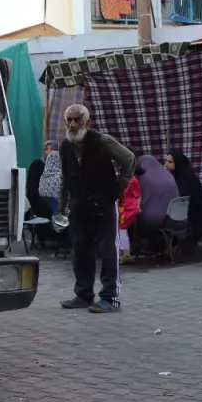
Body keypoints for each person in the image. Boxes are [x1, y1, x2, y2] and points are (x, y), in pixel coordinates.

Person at [58, 104, 135, 314]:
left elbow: (129, 159)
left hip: (103, 205)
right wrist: (62, 201)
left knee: (108, 251)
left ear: (87, 122)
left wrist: (119, 187)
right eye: (70, 121)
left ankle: (111, 297)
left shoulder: (102, 141)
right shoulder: (65, 146)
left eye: (77, 120)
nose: (73, 124)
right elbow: (66, 176)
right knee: (80, 251)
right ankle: (83, 294)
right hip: (79, 206)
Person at [135, 154, 180, 253]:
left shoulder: (143, 178)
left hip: (155, 219)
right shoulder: (168, 175)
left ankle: (133, 247)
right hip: (175, 217)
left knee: (129, 217)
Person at [167, 152, 202, 247]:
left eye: (170, 162)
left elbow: (183, 199)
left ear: (178, 163)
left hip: (193, 218)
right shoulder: (181, 176)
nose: (166, 165)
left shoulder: (187, 179)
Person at [37, 140, 62, 216]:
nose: (49, 152)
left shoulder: (61, 170)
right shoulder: (39, 166)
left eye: (51, 149)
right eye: (47, 149)